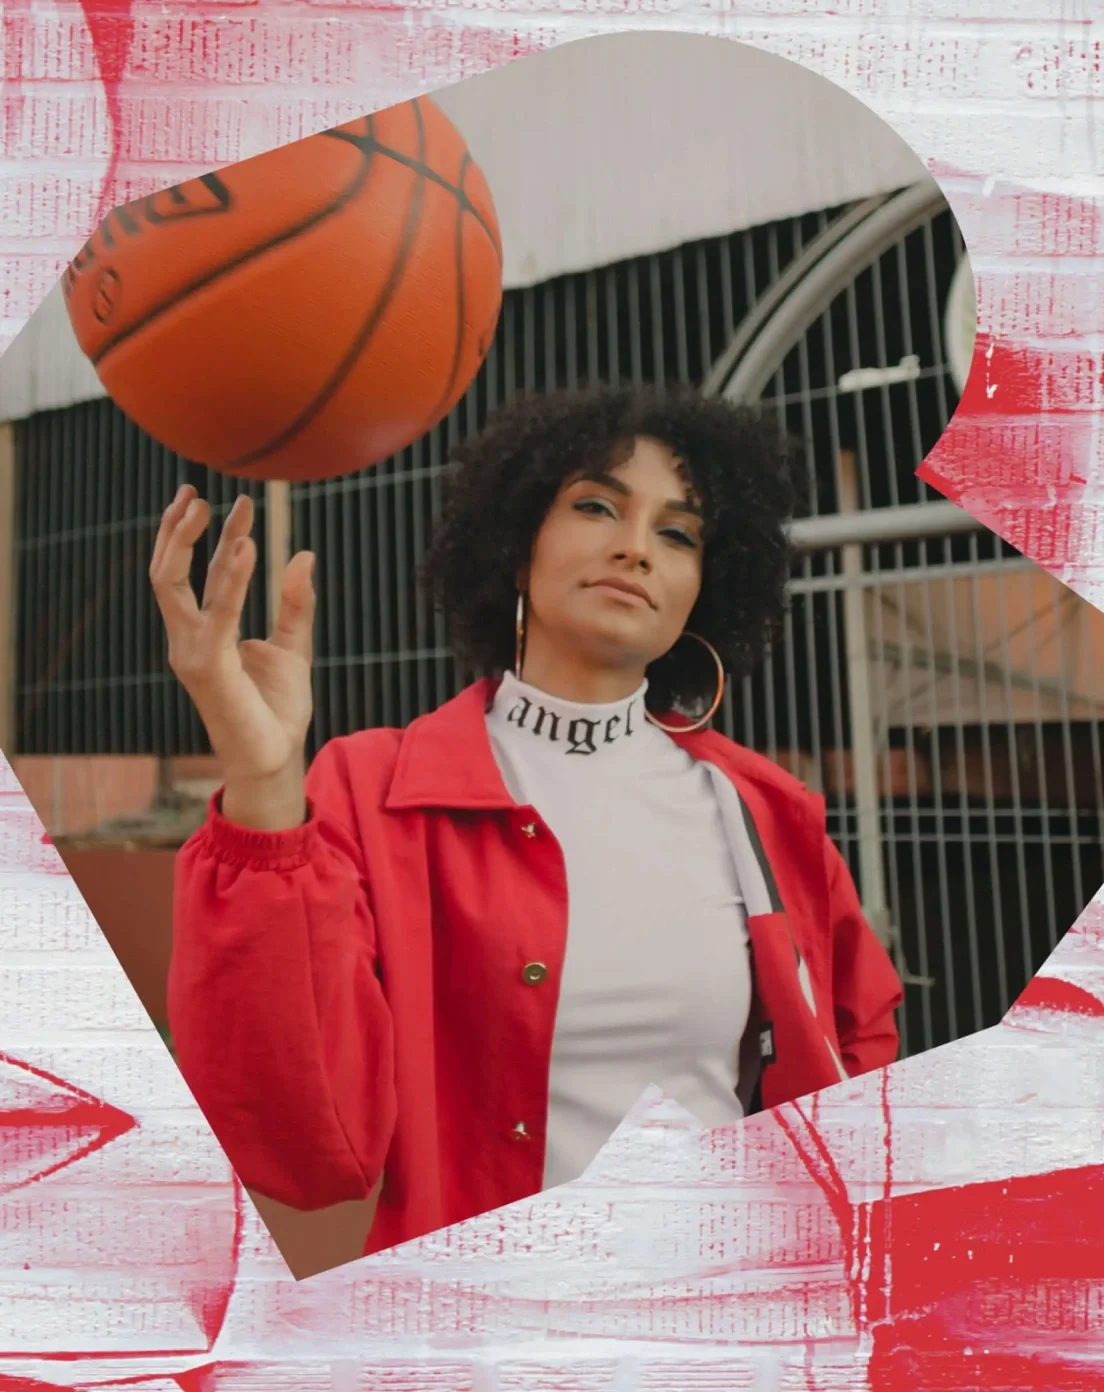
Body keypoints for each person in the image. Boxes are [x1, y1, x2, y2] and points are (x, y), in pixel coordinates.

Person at [157, 384, 903, 1261]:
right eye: (596, 506)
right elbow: (301, 1145)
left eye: (677, 532)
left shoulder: (768, 811)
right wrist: (265, 789)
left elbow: (859, 1060)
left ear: (705, 585)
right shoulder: (372, 790)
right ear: (518, 549)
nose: (635, 548)